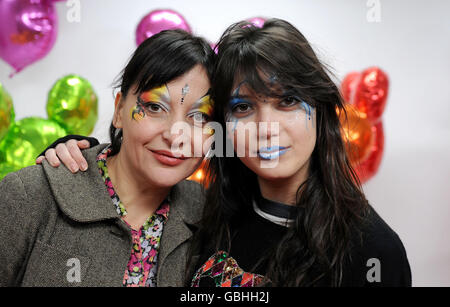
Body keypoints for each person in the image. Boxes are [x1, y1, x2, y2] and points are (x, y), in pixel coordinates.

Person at [38, 19, 411, 287]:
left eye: (288, 101)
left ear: (321, 111)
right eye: (243, 107)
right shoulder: (205, 212)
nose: (267, 127)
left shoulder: (373, 252)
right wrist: (81, 156)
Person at [0, 30, 215, 287]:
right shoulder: (28, 195)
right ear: (119, 110)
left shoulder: (210, 217)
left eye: (200, 117)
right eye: (155, 107)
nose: (174, 135)